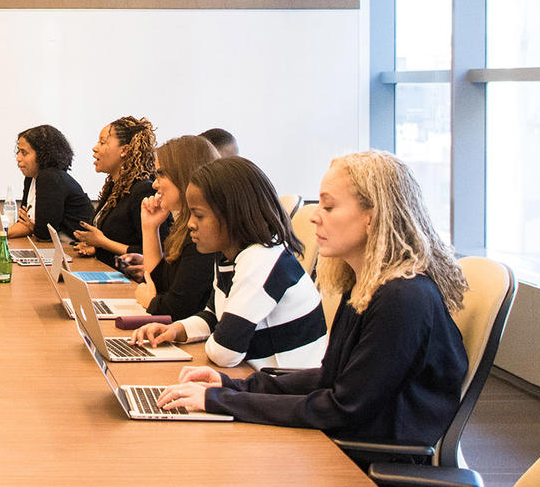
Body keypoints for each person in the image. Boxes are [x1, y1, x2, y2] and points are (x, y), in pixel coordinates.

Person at [156, 151, 469, 447]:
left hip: (365, 467)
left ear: (371, 217)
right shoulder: (366, 284)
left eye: (328, 207)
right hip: (345, 443)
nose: (315, 217)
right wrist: (229, 386)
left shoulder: (402, 298)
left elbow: (341, 408)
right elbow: (331, 380)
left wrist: (221, 401)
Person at [133, 155, 327, 369]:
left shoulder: (260, 260)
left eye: (198, 215)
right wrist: (177, 330)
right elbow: (213, 314)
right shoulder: (230, 256)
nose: (190, 224)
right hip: (257, 379)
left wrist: (217, 337)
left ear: (234, 215)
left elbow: (226, 352)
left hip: (286, 387)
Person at [119, 135, 220, 319]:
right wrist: (150, 227)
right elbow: (158, 284)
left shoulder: (204, 234)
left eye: (160, 174)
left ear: (184, 175)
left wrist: (149, 301)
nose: (155, 184)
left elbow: (176, 309)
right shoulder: (183, 226)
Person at [73, 116, 158, 266]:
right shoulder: (115, 186)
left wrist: (102, 243)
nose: (95, 148)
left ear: (124, 150)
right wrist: (95, 247)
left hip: (130, 280)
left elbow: (150, 251)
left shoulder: (143, 190)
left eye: (102, 142)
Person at [4, 124, 92, 241]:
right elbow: (24, 223)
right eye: (18, 152)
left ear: (42, 154)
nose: (18, 158)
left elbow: (44, 234)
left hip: (75, 247)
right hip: (57, 246)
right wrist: (0, 234)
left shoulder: (50, 178)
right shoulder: (31, 177)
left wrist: (32, 228)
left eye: (24, 153)